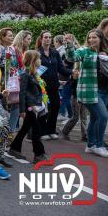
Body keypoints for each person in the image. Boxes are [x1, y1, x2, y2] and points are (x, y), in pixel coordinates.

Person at [64, 29, 108, 157]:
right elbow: (72, 57)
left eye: (95, 37)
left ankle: (90, 145)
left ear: (101, 39)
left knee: (95, 117)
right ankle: (99, 145)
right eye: (90, 37)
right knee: (103, 116)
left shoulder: (104, 52)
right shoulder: (85, 50)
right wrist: (69, 45)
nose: (91, 40)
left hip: (105, 90)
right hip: (90, 91)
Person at [8, 50, 48, 163]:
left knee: (26, 128)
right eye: (38, 58)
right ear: (33, 61)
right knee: (36, 129)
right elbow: (22, 93)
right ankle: (39, 154)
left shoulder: (34, 74)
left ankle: (14, 148)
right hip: (30, 107)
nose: (40, 60)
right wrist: (22, 110)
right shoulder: (25, 75)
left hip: (36, 106)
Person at [36, 30, 71, 140]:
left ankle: (51, 130)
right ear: (41, 39)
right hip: (42, 86)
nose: (48, 39)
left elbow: (61, 68)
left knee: (55, 107)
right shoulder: (37, 53)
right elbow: (33, 69)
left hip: (54, 85)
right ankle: (42, 131)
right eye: (45, 37)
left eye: (50, 37)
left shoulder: (55, 52)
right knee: (43, 108)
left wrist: (71, 72)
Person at [60, 63, 87, 141]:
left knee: (84, 116)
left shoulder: (85, 73)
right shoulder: (75, 73)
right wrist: (75, 77)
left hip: (83, 96)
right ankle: (65, 131)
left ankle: (84, 135)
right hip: (76, 97)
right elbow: (72, 85)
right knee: (75, 117)